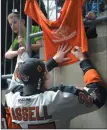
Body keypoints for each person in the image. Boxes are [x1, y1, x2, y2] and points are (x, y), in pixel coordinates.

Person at [5, 45, 106, 129]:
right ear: (46, 75)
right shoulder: (56, 99)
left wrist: (53, 61)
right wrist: (84, 60)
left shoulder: (11, 99)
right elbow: (98, 95)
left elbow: (27, 82)